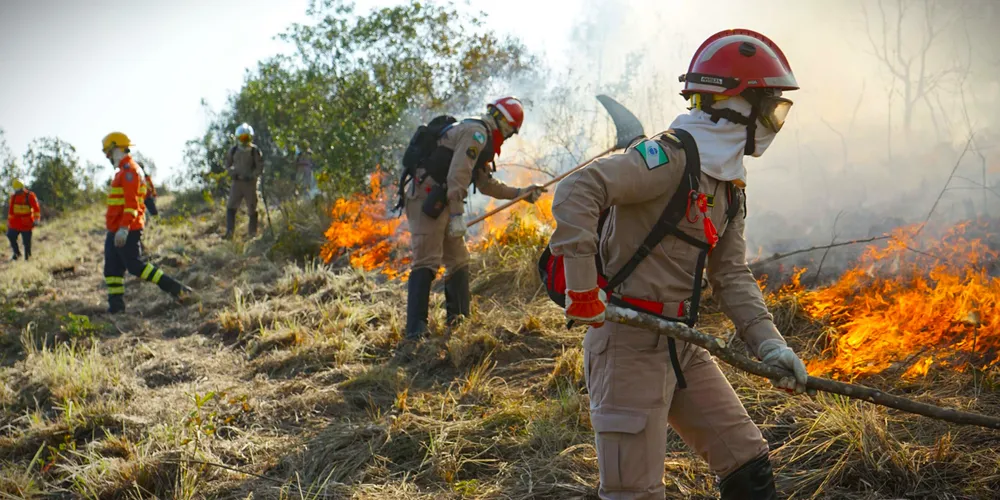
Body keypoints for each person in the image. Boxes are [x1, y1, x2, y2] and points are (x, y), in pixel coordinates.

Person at [548, 30, 810, 499]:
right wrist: (583, 288)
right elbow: (577, 190)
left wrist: (770, 344)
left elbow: (730, 274)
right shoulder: (668, 158)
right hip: (626, 345)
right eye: (771, 108)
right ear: (736, 104)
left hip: (682, 343)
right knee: (634, 492)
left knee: (748, 463)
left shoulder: (729, 186)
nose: (775, 121)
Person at [402, 97, 545, 341]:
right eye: (510, 130)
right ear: (502, 122)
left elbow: (485, 183)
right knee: (427, 259)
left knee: (458, 259)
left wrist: (520, 193)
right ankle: (415, 332)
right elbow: (458, 175)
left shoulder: (482, 137)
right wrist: (457, 214)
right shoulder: (476, 133)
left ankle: (458, 321)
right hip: (426, 199)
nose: (509, 136)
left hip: (443, 200)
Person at [101, 132, 192, 313]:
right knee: (112, 270)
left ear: (117, 149)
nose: (107, 157)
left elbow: (132, 204)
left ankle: (177, 289)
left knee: (135, 266)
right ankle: (116, 308)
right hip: (115, 229)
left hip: (128, 228)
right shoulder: (122, 172)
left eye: (108, 152)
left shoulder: (130, 171)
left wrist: (124, 229)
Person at [223, 123, 264, 239]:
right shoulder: (233, 150)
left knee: (252, 207)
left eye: (246, 138)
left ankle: (252, 234)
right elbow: (227, 165)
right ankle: (229, 233)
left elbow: (260, 167)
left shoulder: (254, 151)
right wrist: (233, 173)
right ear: (238, 138)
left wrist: (252, 175)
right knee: (231, 206)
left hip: (250, 184)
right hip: (237, 183)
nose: (245, 140)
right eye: (242, 138)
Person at [6, 178, 40, 261]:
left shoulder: (30, 196)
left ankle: (28, 258)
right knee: (10, 235)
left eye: (19, 190)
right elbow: (11, 211)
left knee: (26, 242)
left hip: (27, 223)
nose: (18, 192)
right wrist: (9, 222)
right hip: (15, 223)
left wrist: (36, 219)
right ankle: (16, 253)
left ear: (23, 188)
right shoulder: (13, 197)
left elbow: (36, 208)